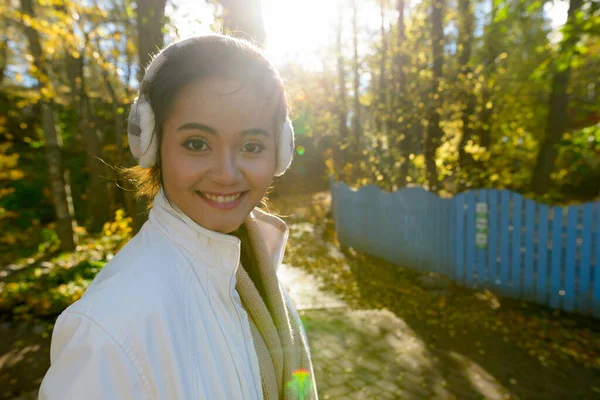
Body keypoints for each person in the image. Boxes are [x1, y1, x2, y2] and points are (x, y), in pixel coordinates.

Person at [39, 34, 318, 400]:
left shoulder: (257, 274)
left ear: (279, 152)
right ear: (152, 144)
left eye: (252, 146)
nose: (227, 174)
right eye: (197, 143)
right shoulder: (108, 330)